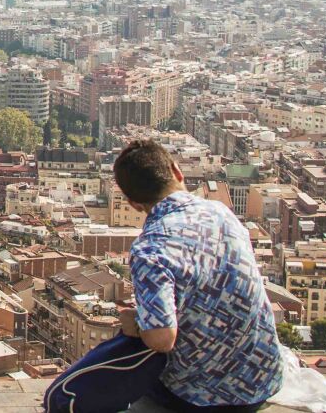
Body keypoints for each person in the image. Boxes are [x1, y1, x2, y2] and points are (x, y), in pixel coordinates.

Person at [113, 139, 283, 413]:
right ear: (177, 171)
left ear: (133, 203)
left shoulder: (150, 250)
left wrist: (135, 324)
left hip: (201, 398)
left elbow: (161, 339)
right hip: (262, 382)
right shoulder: (221, 213)